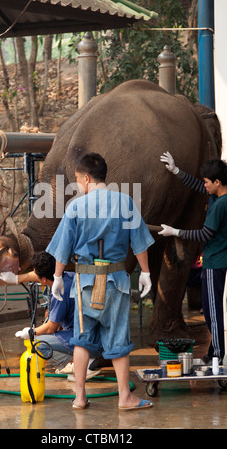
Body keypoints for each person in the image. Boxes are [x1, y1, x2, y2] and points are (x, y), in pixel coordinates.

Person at [46, 152, 155, 410]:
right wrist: (146, 273)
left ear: (86, 178)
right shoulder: (125, 202)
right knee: (118, 340)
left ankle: (80, 397)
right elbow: (139, 243)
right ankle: (124, 398)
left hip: (84, 282)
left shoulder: (75, 207)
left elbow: (63, 247)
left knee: (82, 340)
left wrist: (58, 277)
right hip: (116, 282)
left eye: (76, 179)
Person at [159, 152, 227, 363]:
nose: (204, 185)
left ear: (217, 182)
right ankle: (216, 351)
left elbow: (204, 234)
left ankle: (219, 355)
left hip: (215, 265)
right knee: (223, 309)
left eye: (207, 182)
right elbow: (196, 185)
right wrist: (175, 170)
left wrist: (174, 232)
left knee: (214, 313)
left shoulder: (220, 206)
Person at [0, 251, 101, 379]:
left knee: (38, 344)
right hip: (98, 335)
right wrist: (14, 279)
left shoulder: (58, 293)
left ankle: (79, 365)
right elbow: (38, 276)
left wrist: (31, 332)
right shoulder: (69, 276)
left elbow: (50, 327)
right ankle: (86, 359)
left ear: (44, 280)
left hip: (84, 338)